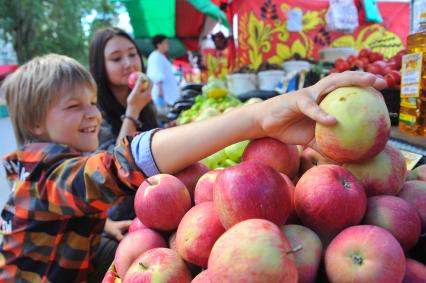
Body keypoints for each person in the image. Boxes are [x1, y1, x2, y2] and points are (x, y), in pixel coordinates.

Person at [0, 53, 386, 283]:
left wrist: (103, 225)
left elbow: (67, 209)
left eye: (91, 102)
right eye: (74, 107)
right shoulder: (44, 177)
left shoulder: (40, 172)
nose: (92, 114)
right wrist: (257, 118)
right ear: (34, 123)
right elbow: (121, 167)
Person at [89, 27, 158, 246]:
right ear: (101, 67)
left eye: (132, 54)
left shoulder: (144, 102)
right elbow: (116, 166)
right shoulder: (94, 113)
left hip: (155, 202)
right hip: (122, 220)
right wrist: (132, 112)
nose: (128, 63)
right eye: (116, 58)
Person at [147, 35, 180, 113]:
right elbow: (156, 75)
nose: (167, 45)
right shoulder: (156, 56)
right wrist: (160, 92)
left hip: (168, 94)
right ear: (159, 44)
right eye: (165, 43)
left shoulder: (160, 56)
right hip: (163, 95)